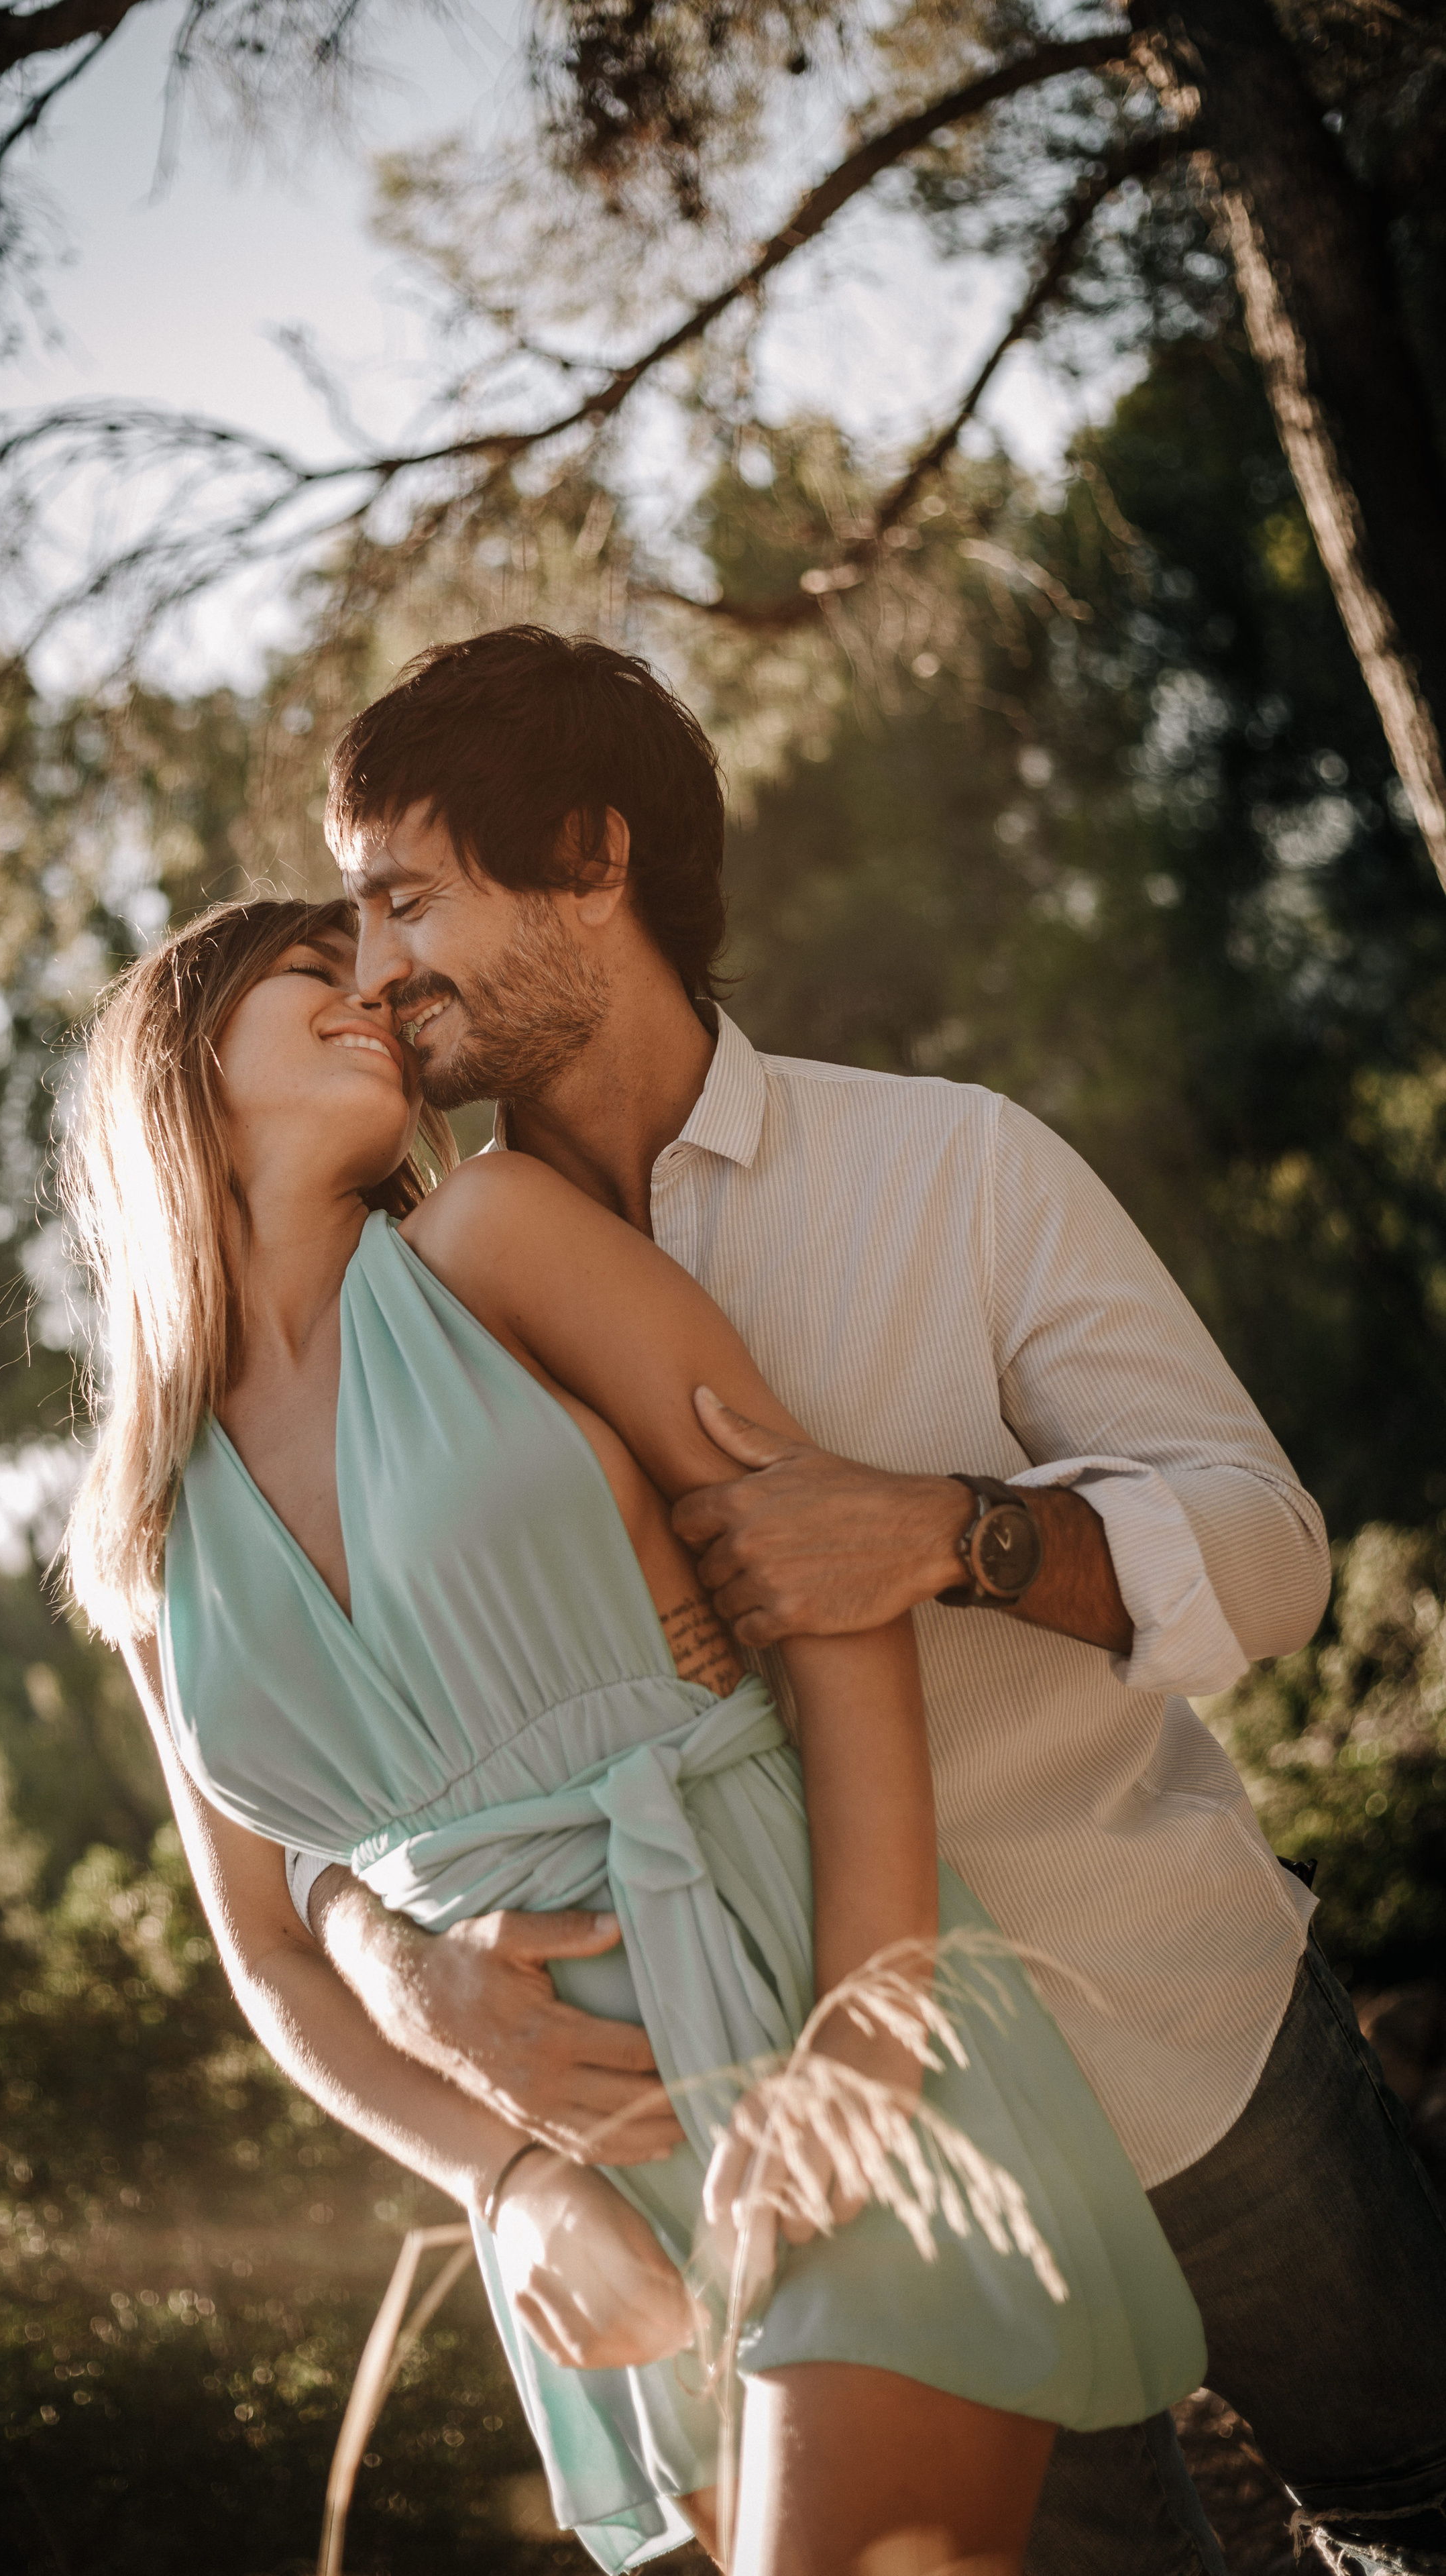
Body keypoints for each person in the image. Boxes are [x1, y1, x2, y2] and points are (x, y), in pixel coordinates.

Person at [198, 625, 1446, 2576]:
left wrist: (965, 1534)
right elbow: (356, 1743)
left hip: (1157, 2016)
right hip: (844, 2161)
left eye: (406, 898)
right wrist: (379, 1945)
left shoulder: (951, 1166)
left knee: (1419, 2498)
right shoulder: (412, 1312)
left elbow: (1266, 1548)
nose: (372, 971)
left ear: (594, 856)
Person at [66, 892, 1209, 2576]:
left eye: (368, 965)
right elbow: (268, 1950)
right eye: (310, 974)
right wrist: (506, 2179)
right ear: (172, 1068)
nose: (369, 992)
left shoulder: (492, 1243)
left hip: (795, 2016)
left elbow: (829, 1598)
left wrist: (864, 2040)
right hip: (577, 2182)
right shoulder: (139, 1529)